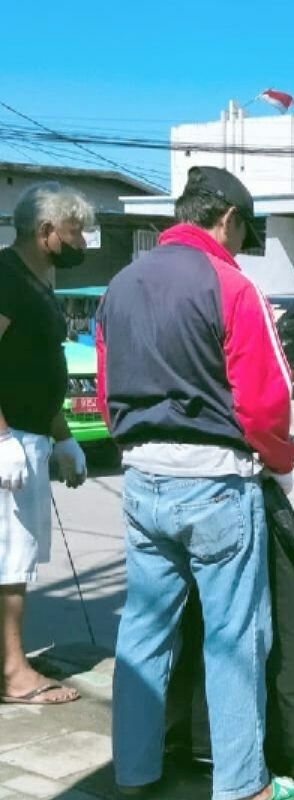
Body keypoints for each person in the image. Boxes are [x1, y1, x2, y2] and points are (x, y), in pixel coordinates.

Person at [98, 166, 294, 800]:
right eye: (244, 229)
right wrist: (281, 461)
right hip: (216, 483)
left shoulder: (120, 283)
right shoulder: (231, 285)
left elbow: (108, 394)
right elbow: (265, 403)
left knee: (143, 629)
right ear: (228, 219)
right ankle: (243, 784)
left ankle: (133, 772)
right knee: (233, 637)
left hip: (141, 479)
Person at [0, 183, 92, 706]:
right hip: (8, 439)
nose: (81, 241)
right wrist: (3, 437)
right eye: (74, 230)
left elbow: (38, 369)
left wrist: (65, 439)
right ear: (45, 231)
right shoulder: (6, 278)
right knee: (8, 561)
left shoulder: (38, 282)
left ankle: (10, 662)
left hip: (33, 435)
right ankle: (14, 676)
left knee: (17, 559)